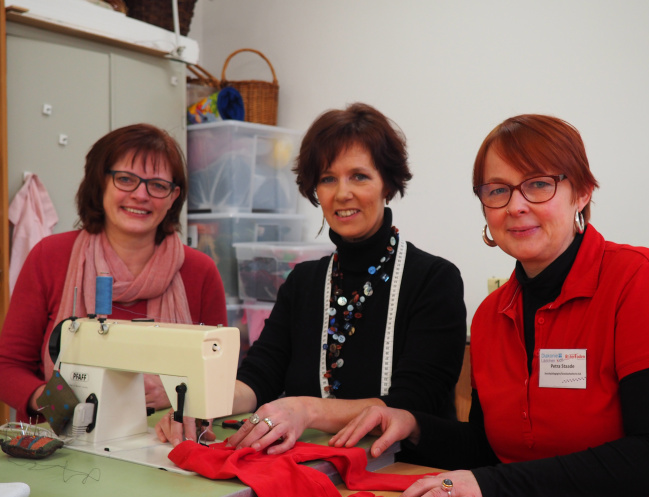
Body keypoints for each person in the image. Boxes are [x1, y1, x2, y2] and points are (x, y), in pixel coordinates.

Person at [331, 114, 649, 497]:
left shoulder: (642, 281)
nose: (516, 206)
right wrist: (412, 425)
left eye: (538, 184)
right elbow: (489, 450)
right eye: (497, 190)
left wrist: (490, 485)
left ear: (582, 192)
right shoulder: (490, 316)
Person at [155, 103, 467, 454]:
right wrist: (198, 406)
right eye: (327, 178)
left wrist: (305, 408)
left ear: (387, 184)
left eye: (359, 176)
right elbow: (259, 378)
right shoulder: (304, 282)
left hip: (408, 473)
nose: (342, 193)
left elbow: (413, 404)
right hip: (320, 471)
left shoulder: (434, 281)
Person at [0, 123, 228, 422]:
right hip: (61, 445)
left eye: (158, 185)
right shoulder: (50, 257)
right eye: (126, 179)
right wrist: (56, 402)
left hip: (164, 448)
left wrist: (178, 393)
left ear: (173, 197)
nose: (141, 195)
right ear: (100, 183)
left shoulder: (200, 272)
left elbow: (221, 376)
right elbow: (8, 366)